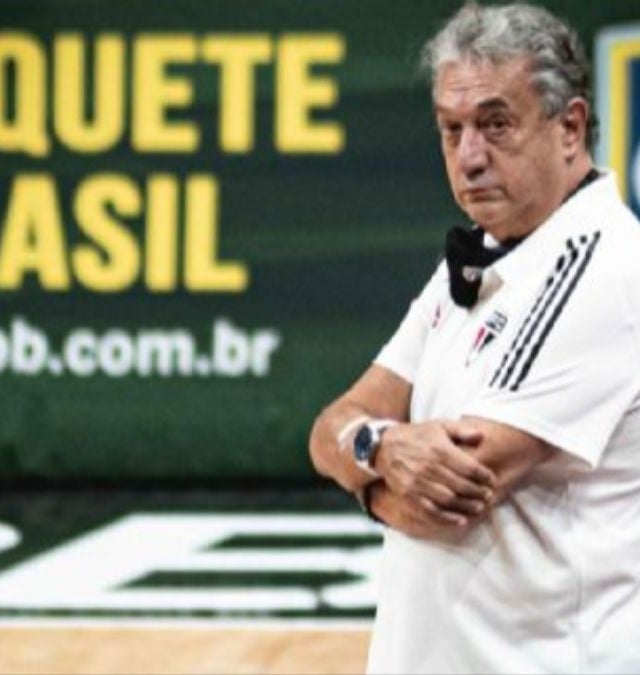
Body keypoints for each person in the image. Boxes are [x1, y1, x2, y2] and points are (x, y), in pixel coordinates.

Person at [309, 3, 640, 673]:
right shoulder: (479, 256)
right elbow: (330, 427)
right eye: (451, 129)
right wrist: (381, 447)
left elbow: (452, 493)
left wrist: (363, 460)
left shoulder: (607, 269)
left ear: (570, 127)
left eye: (495, 124)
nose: (469, 158)